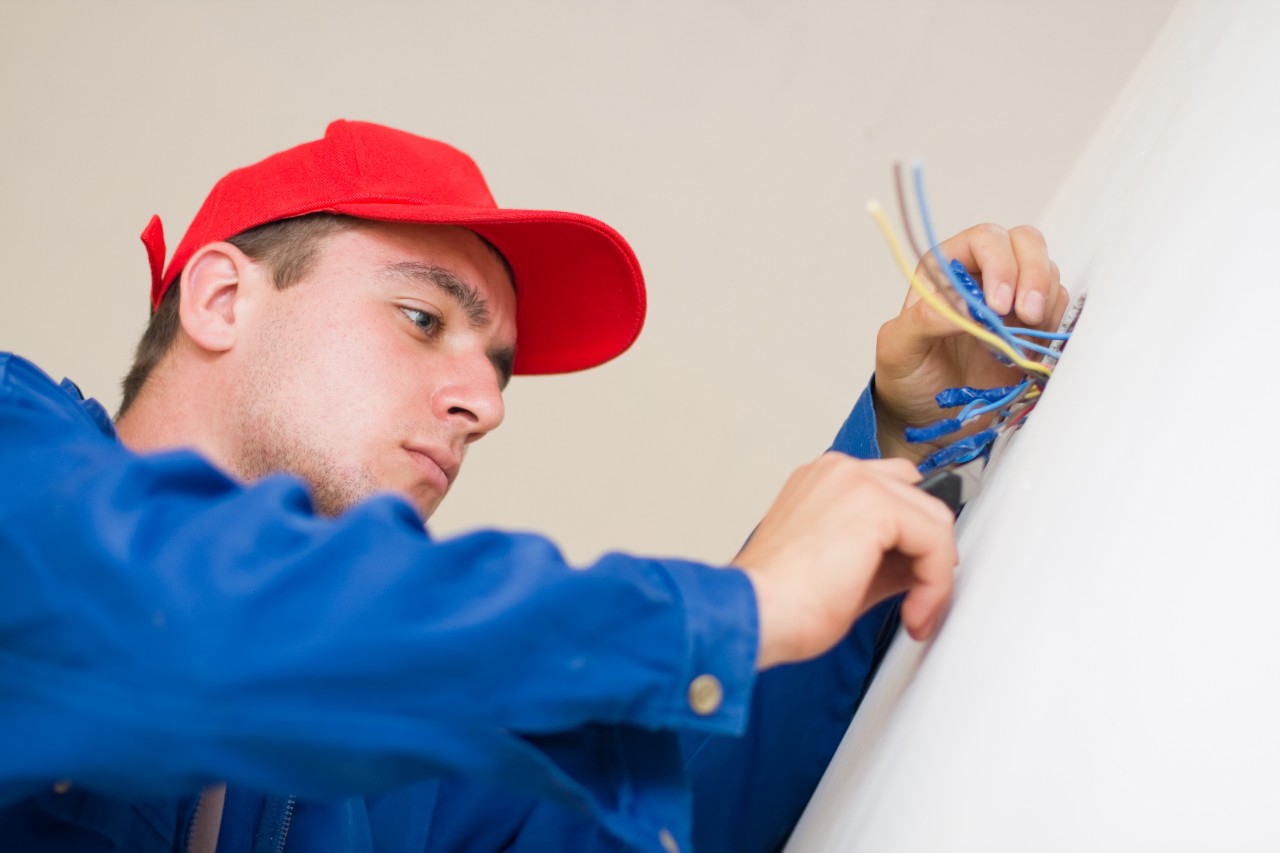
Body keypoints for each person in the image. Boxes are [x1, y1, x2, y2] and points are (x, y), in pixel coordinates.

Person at [0, 120, 1066, 852]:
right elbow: (167, 608)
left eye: (496, 366)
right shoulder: (16, 446)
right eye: (423, 319)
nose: (484, 403)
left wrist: (902, 444)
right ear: (222, 299)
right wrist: (729, 607)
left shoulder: (392, 773)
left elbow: (670, 809)